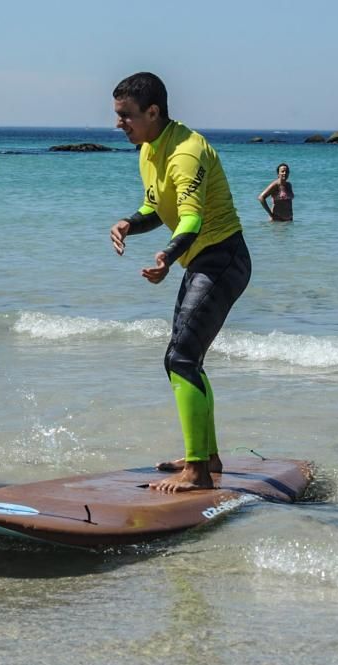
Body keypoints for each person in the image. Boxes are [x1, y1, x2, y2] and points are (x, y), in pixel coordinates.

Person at [109, 72, 251, 493]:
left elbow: (192, 218)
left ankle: (197, 471)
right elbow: (157, 207)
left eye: (126, 116)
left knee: (181, 359)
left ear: (153, 111)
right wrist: (128, 223)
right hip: (204, 260)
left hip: (222, 257)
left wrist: (168, 257)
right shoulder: (150, 147)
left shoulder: (186, 151)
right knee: (186, 358)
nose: (119, 124)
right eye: (117, 115)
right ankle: (205, 457)